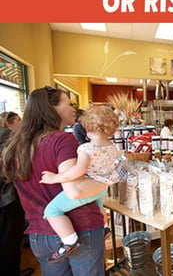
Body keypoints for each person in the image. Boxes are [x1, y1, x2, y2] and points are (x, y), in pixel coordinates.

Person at [2, 86, 108, 275]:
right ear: (53, 109)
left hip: (40, 234)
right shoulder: (62, 140)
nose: (73, 108)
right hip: (80, 230)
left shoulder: (17, 146)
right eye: (68, 103)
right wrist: (108, 180)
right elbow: (74, 191)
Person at [39, 105, 120, 263]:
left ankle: (69, 240)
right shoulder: (112, 147)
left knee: (51, 211)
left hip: (87, 188)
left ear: (88, 127)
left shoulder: (86, 149)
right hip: (101, 188)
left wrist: (55, 178)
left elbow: (78, 170)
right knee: (99, 208)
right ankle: (104, 228)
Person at [0, 112, 34, 276]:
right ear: (9, 123)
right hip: (6, 198)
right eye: (19, 120)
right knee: (10, 239)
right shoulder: (8, 138)